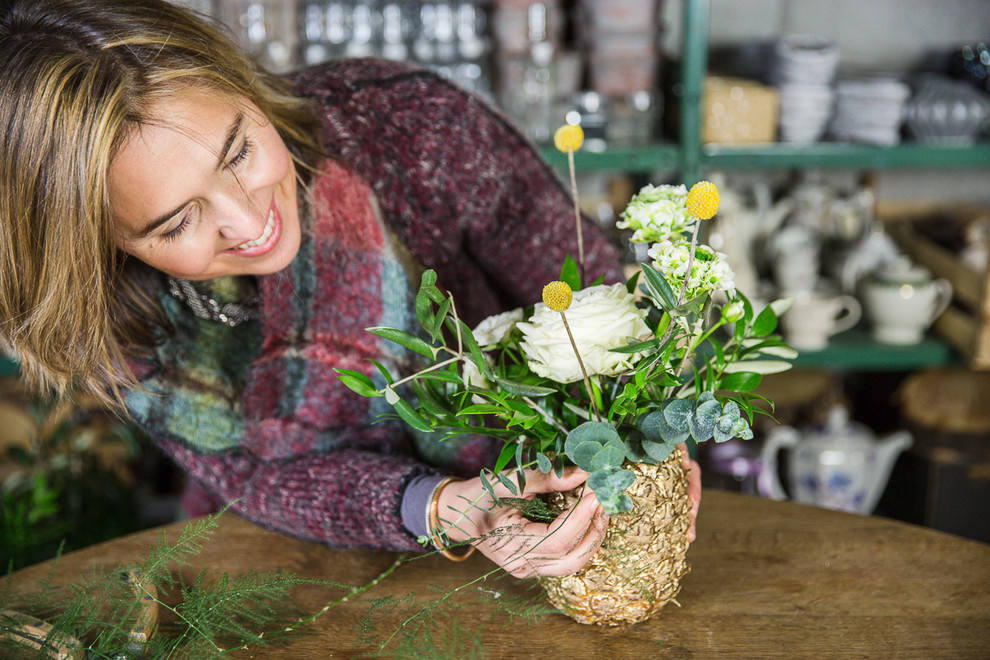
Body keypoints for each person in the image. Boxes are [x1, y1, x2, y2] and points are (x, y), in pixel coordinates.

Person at [0, 0, 700, 579]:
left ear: (242, 84)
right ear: (99, 249)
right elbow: (257, 480)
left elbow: (599, 297)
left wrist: (652, 438)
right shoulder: (112, 316)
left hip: (560, 510)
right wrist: (443, 506)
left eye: (239, 151)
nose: (248, 222)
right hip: (297, 558)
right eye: (177, 221)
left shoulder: (406, 123)